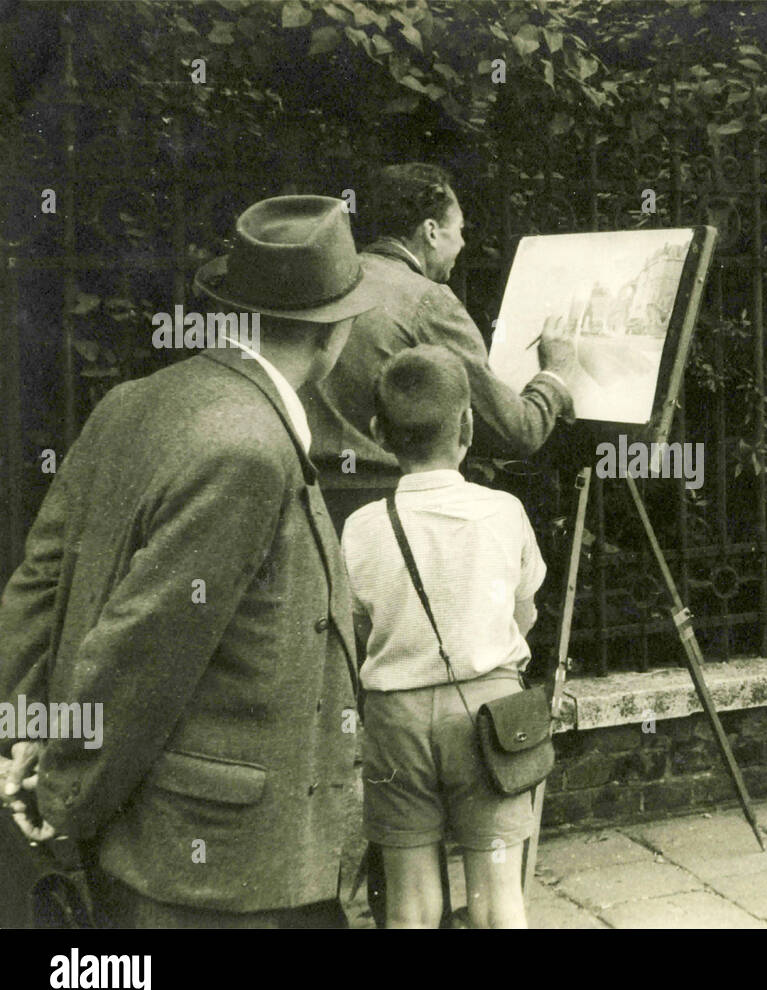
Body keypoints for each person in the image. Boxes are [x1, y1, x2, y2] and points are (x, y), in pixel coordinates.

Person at [0, 195, 385, 928]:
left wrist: (19, 736)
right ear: (335, 330)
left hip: (157, 849)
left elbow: (40, 582)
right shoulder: (249, 449)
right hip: (226, 876)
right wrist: (62, 794)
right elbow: (142, 648)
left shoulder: (131, 402)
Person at [342, 346, 546, 929]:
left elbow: (357, 629)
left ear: (379, 432)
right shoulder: (504, 512)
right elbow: (525, 614)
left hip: (394, 718)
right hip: (492, 717)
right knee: (498, 898)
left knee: (409, 904)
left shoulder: (361, 527)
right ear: (469, 424)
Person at [301, 162, 580, 527]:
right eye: (459, 230)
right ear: (431, 231)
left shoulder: (328, 281)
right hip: (389, 513)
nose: (463, 243)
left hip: (310, 505)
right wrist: (555, 375)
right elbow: (517, 431)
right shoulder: (428, 301)